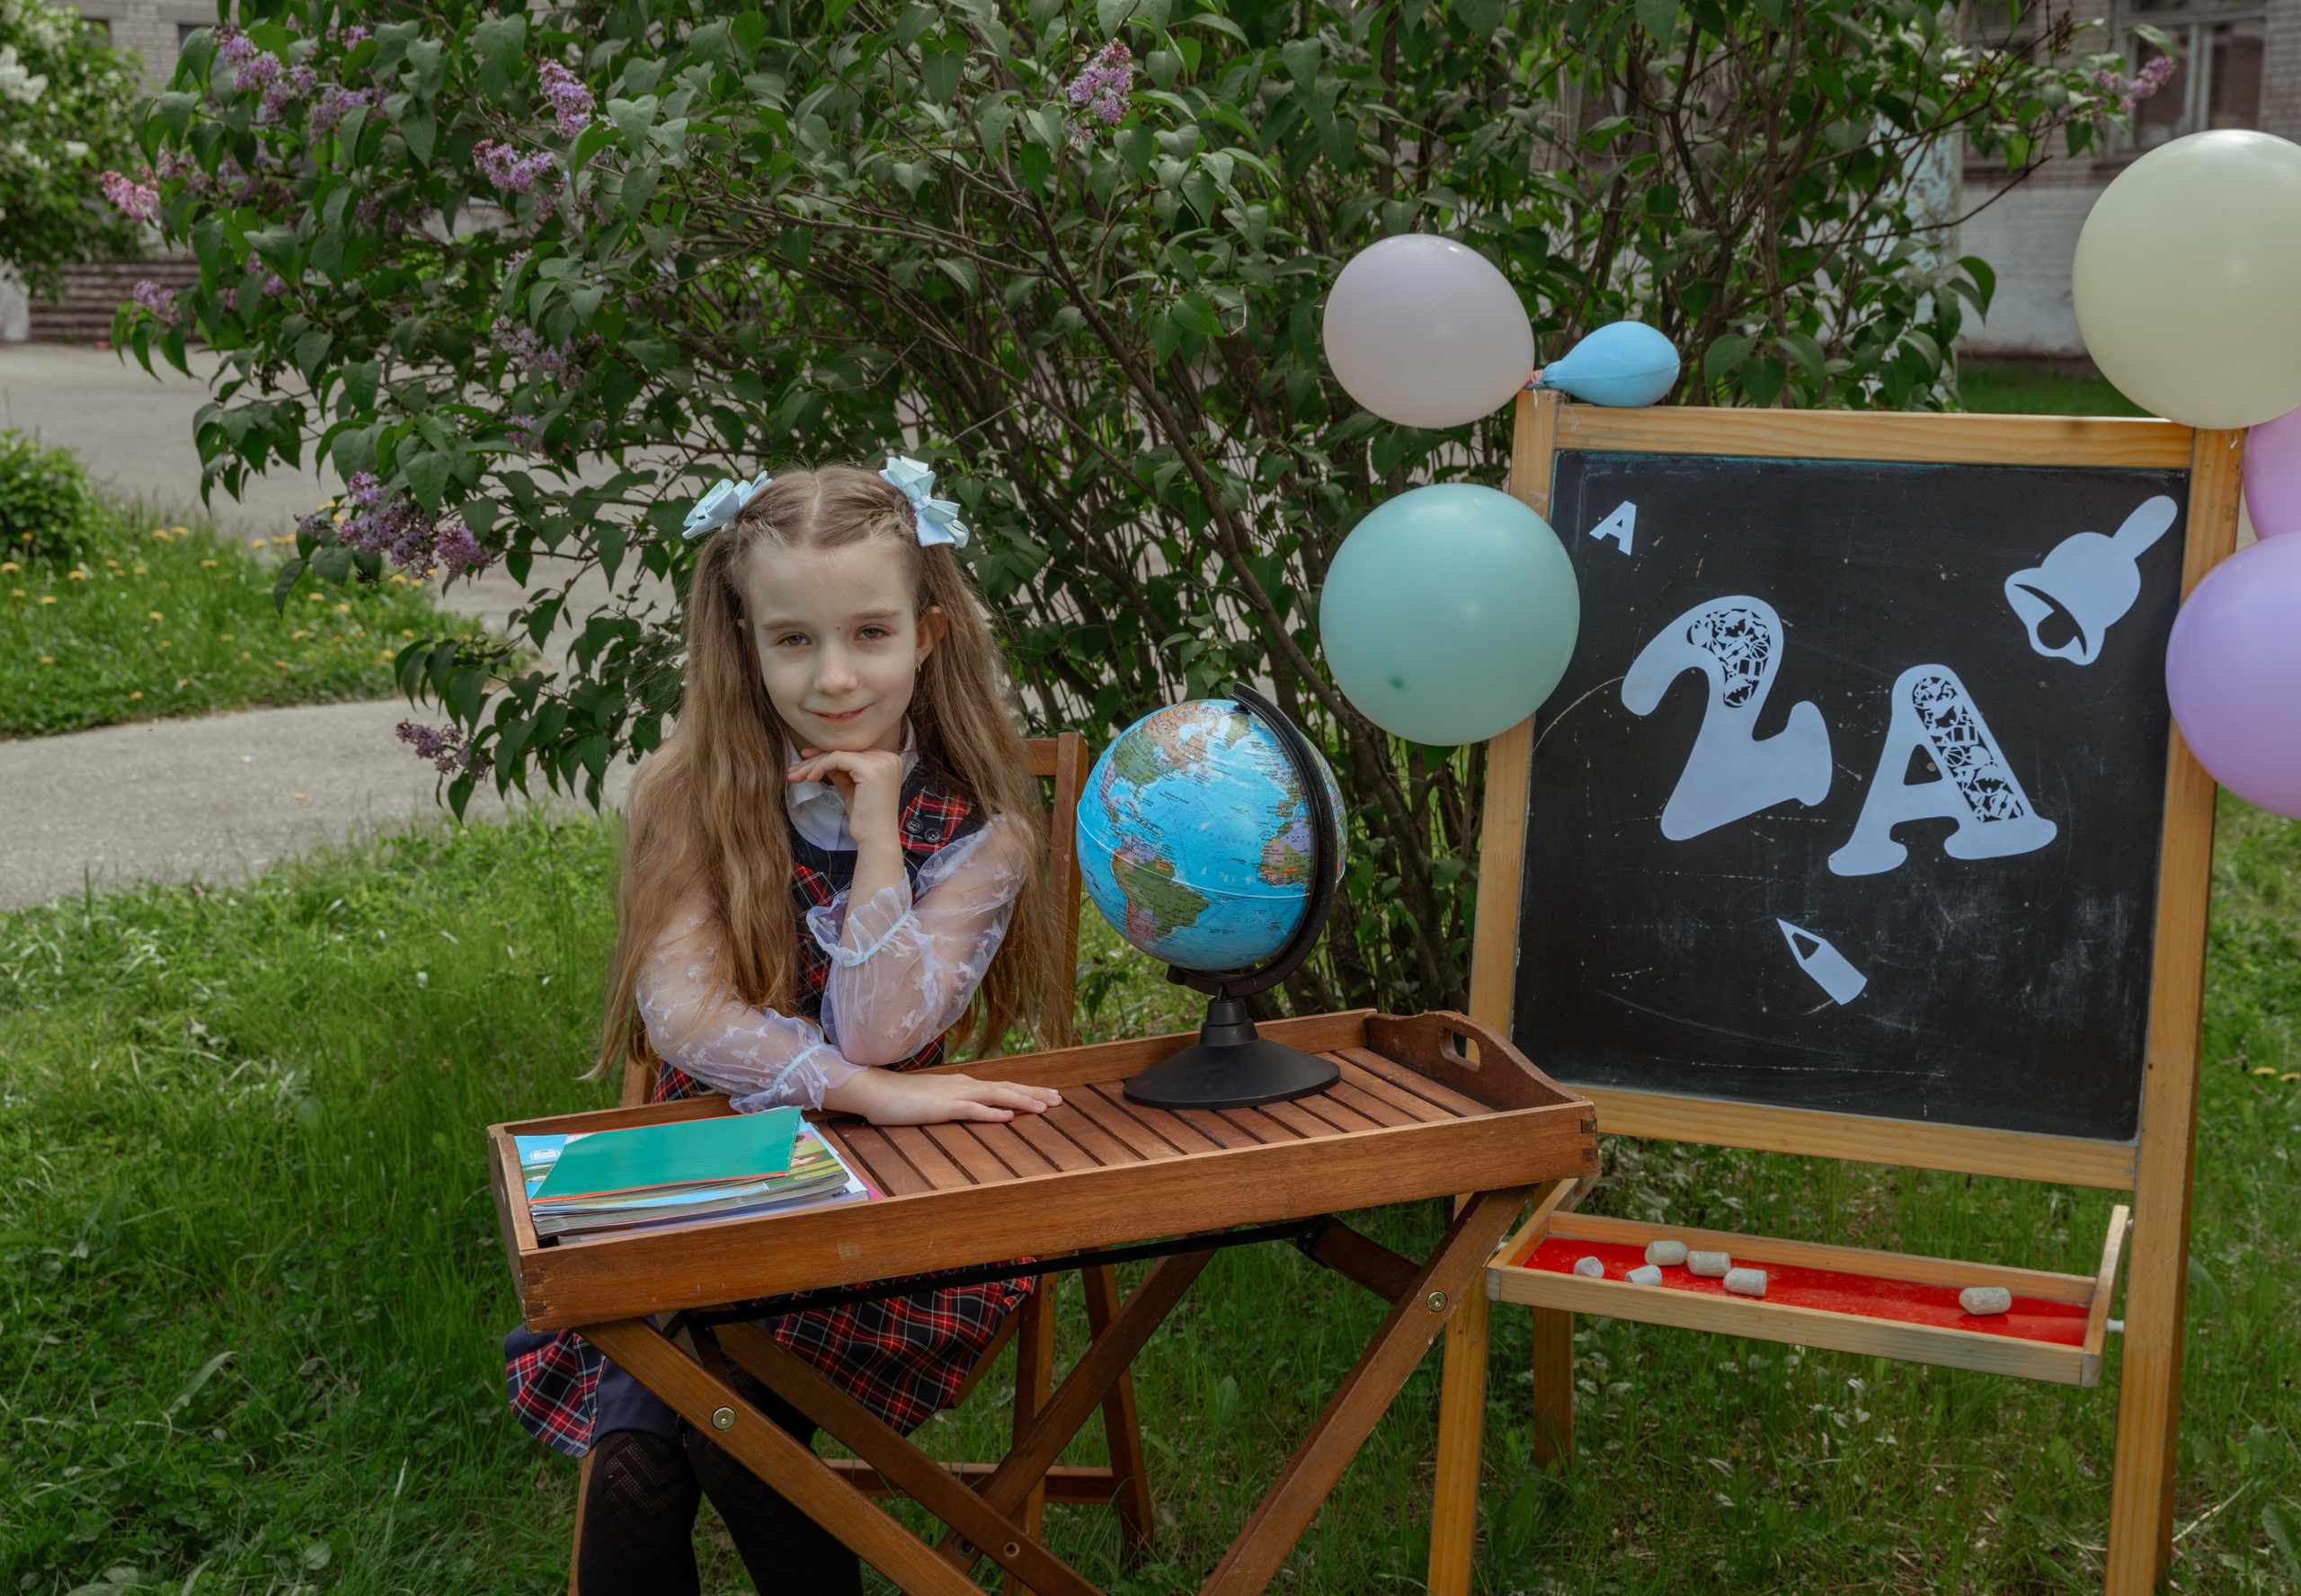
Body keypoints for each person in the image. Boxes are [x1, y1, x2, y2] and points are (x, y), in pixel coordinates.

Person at [502, 459, 1067, 1594]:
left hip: (893, 1195)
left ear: (928, 635)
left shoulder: (981, 830)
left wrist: (878, 835)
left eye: (870, 633)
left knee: (736, 1440)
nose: (835, 676)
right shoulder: (690, 795)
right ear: (744, 643)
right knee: (636, 1471)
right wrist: (863, 1090)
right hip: (705, 1168)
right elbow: (688, 1017)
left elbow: (881, 1030)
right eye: (794, 641)